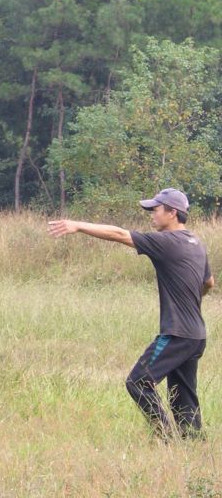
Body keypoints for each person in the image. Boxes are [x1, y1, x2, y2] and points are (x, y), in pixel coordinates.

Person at [47, 188, 214, 439]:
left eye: (155, 210)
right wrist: (190, 298)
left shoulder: (166, 242)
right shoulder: (196, 243)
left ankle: (165, 437)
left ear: (172, 213)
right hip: (196, 335)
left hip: (177, 333)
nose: (151, 215)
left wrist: (77, 225)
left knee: (138, 382)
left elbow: (119, 234)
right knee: (183, 396)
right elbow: (209, 283)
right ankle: (192, 443)